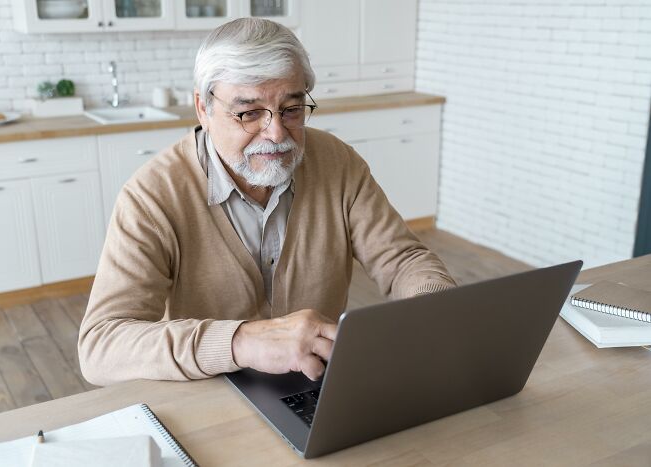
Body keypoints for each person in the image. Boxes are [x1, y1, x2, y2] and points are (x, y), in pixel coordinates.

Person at [78, 18, 456, 386]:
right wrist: (241, 342)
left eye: (291, 109)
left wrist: (433, 305)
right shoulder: (151, 197)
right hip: (209, 394)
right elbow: (101, 346)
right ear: (203, 109)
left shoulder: (337, 163)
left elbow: (402, 260)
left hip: (318, 384)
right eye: (249, 113)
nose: (276, 133)